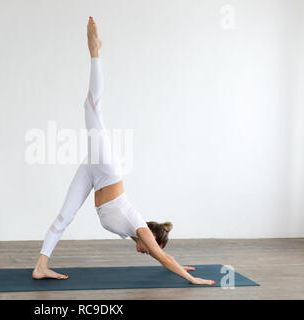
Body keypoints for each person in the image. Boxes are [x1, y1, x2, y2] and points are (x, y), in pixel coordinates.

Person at [32, 17, 215, 286]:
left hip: (94, 175)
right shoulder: (139, 225)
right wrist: (190, 278)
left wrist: (174, 264)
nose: (148, 252)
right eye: (152, 247)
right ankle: (95, 52)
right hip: (106, 170)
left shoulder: (136, 232)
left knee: (64, 216)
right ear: (150, 239)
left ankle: (41, 267)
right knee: (91, 107)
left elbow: (160, 256)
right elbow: (160, 255)